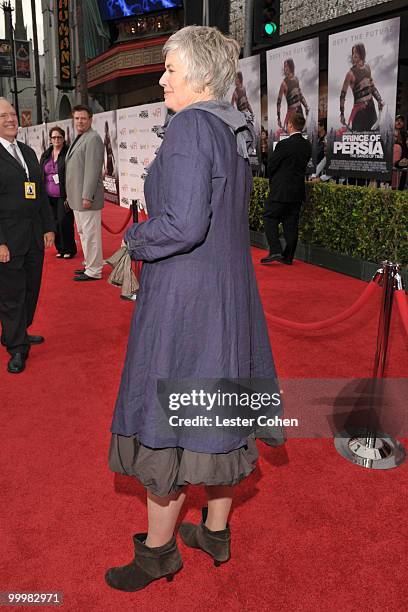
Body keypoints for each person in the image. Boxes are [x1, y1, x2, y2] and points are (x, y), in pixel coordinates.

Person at [106, 25, 279, 592]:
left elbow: (182, 224)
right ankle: (214, 532)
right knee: (216, 416)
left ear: (200, 76)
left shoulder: (188, 129)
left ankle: (159, 554)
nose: (161, 78)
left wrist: (133, 243)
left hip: (186, 303)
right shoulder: (236, 129)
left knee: (168, 424)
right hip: (230, 299)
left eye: (170, 69)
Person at [0, 98, 55, 374]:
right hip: (7, 240)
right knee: (12, 293)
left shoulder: (28, 151)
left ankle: (17, 330)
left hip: (34, 235)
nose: (11, 119)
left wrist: (48, 227)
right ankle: (17, 346)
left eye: (12, 114)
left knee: (32, 287)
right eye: (3, 116)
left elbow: (41, 192)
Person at [261, 113, 312, 265]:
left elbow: (272, 165)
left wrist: (272, 178)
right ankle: (288, 257)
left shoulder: (284, 144)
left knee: (269, 217)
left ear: (290, 125)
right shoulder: (307, 145)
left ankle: (275, 250)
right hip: (297, 191)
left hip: (280, 190)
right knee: (291, 223)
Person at [65, 105, 104, 281]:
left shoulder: (93, 138)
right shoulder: (80, 137)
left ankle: (94, 270)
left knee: (91, 235)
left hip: (86, 198)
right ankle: (90, 265)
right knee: (83, 234)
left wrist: (87, 195)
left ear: (90, 120)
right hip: (76, 197)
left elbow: (92, 170)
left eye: (83, 118)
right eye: (77, 118)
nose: (80, 121)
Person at [40, 126, 77, 259]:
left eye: (59, 137)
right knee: (54, 223)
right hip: (48, 196)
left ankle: (69, 248)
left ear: (63, 138)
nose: (56, 139)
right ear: (50, 139)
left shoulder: (68, 153)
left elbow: (73, 174)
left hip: (63, 195)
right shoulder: (46, 154)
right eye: (54, 137)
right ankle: (60, 249)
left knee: (64, 222)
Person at [339, 43, 384, 132]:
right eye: (353, 52)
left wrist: (379, 99)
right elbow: (342, 95)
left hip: (371, 108)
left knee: (374, 137)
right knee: (358, 138)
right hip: (359, 112)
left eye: (356, 52)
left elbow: (372, 87)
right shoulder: (350, 74)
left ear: (362, 53)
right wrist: (342, 113)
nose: (354, 55)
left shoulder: (367, 68)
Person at [277, 59, 309, 133]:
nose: (284, 69)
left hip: (300, 111)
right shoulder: (283, 84)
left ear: (291, 67)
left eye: (286, 66)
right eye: (284, 66)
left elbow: (300, 95)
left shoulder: (296, 79)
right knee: (290, 133)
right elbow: (278, 102)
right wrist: (278, 118)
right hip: (291, 112)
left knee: (302, 134)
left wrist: (306, 106)